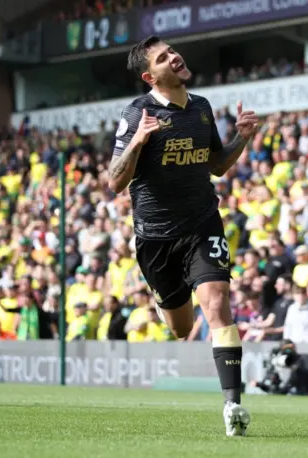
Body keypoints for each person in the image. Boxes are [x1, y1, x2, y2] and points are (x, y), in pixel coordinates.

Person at [109, 35, 258, 436]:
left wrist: (241, 137)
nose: (174, 57)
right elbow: (114, 181)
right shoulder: (138, 112)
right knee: (179, 326)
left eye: (172, 51)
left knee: (218, 303)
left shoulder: (202, 108)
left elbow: (218, 166)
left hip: (202, 222)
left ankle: (233, 407)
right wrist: (138, 141)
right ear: (149, 75)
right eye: (162, 57)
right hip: (156, 237)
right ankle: (165, 299)